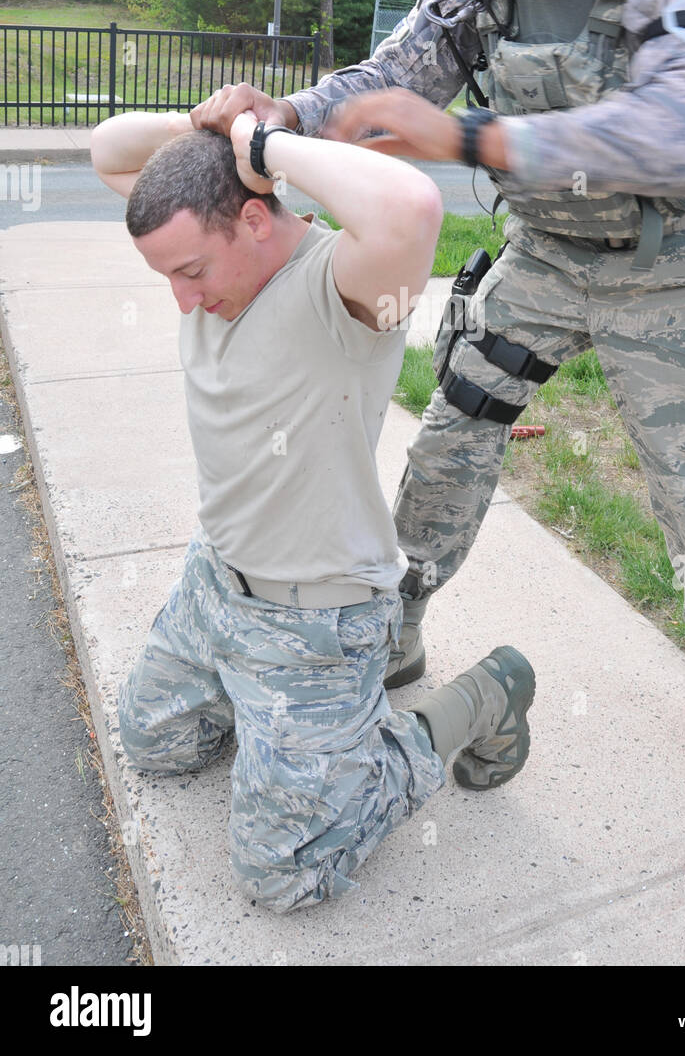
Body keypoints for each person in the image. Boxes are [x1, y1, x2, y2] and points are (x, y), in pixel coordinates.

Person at [191, 0, 685, 819]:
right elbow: (390, 80)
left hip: (672, 268)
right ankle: (403, 616)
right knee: (450, 441)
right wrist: (284, 110)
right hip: (546, 256)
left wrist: (472, 137)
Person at [88, 108, 535, 912]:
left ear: (254, 219)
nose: (182, 300)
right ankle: (275, 729)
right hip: (213, 587)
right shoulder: (209, 243)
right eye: (168, 279)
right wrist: (210, 128)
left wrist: (266, 144)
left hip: (314, 628)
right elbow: (105, 149)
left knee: (285, 873)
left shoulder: (350, 287)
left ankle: (482, 698)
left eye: (189, 271)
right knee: (154, 745)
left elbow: (411, 206)